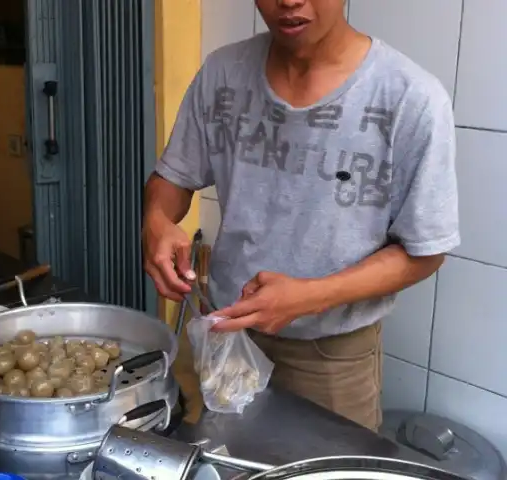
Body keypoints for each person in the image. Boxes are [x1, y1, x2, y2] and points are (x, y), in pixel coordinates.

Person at [142, 0, 459, 431]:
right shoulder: (222, 74)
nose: (289, 1)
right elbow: (172, 180)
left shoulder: (409, 97)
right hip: (226, 335)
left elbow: (425, 251)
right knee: (220, 463)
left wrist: (309, 296)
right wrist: (157, 222)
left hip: (330, 356)